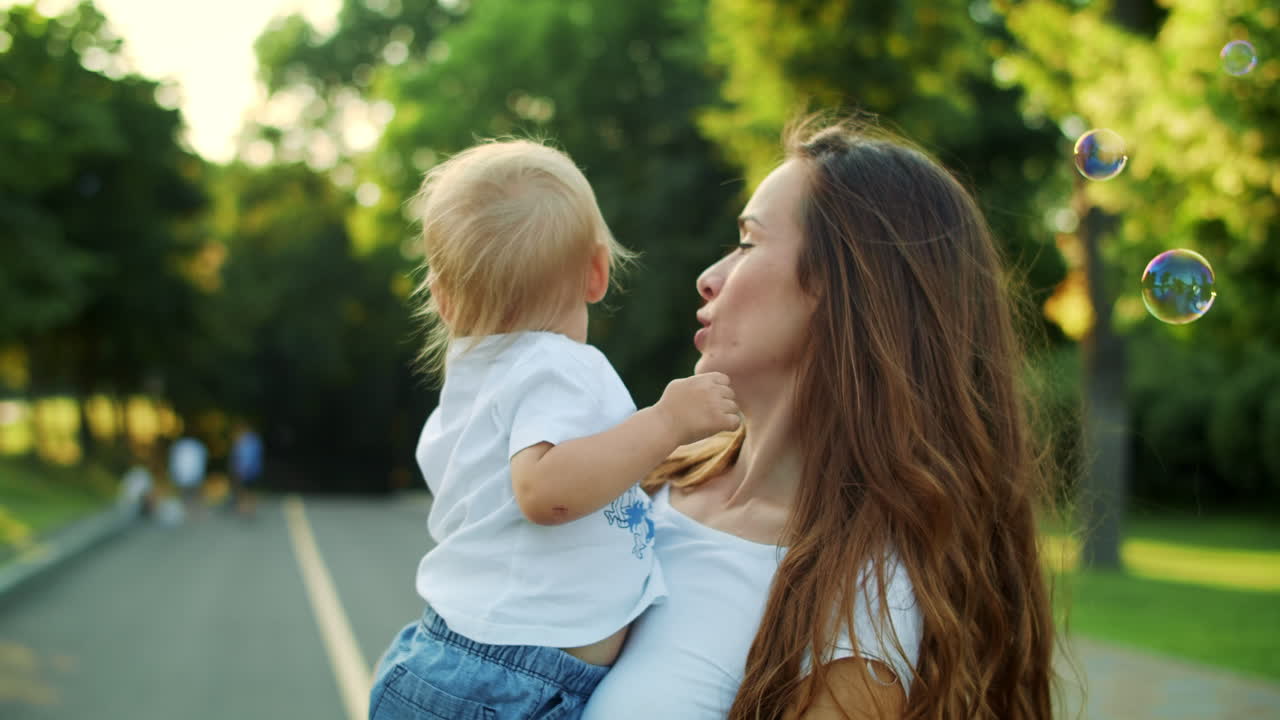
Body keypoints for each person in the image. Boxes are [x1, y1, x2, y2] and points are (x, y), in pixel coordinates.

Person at [580, 116, 1056, 719]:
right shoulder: (637, 481)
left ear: (846, 287)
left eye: (748, 243)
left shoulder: (866, 604)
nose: (709, 279)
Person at [368, 139, 741, 720]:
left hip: (449, 655)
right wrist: (667, 422)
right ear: (596, 273)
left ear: (442, 301)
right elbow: (544, 492)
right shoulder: (557, 363)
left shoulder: (473, 383)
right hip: (514, 683)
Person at [228, 423, 264, 516]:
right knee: (250, 490)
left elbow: (242, 457)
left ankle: (244, 508)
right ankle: (249, 508)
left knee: (242, 490)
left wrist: (239, 469)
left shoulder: (243, 441)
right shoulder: (255, 440)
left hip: (244, 469)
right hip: (254, 470)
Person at [168, 435, 207, 517]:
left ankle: (189, 511)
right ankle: (192, 512)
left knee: (187, 494)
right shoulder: (197, 445)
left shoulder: (179, 446)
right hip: (192, 475)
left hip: (184, 475)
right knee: (191, 494)